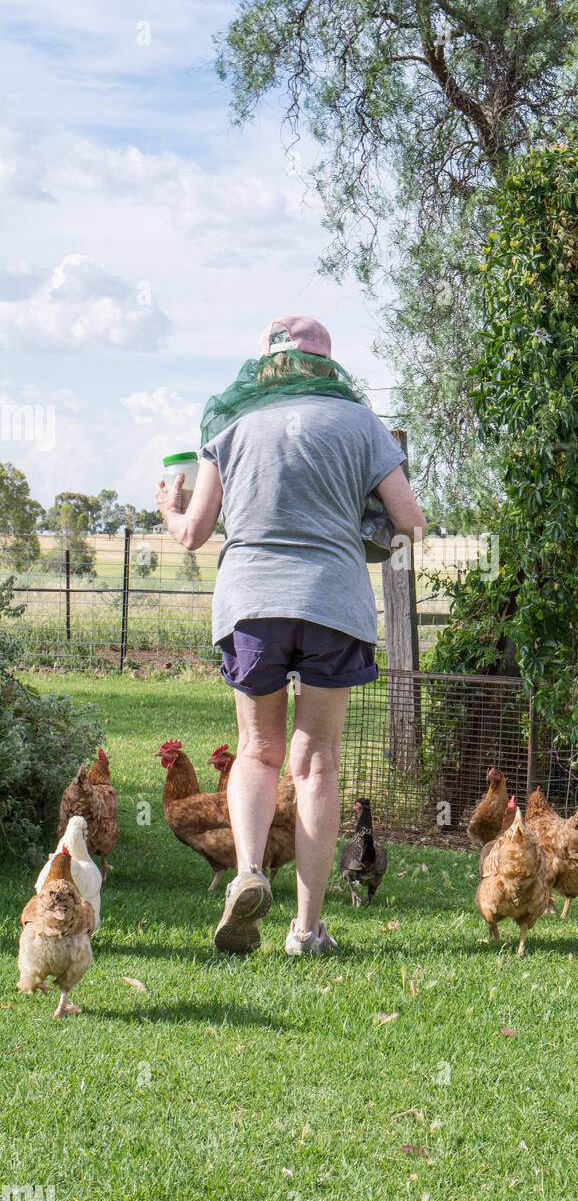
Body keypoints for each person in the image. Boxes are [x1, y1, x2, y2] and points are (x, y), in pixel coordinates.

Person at [155, 314, 426, 956]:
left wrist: (169, 503)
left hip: (250, 600)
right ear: (326, 363)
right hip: (333, 599)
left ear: (265, 362)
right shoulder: (359, 421)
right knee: (318, 761)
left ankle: (249, 873)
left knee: (257, 751)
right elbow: (410, 522)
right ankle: (306, 929)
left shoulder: (230, 423)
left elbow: (192, 534)